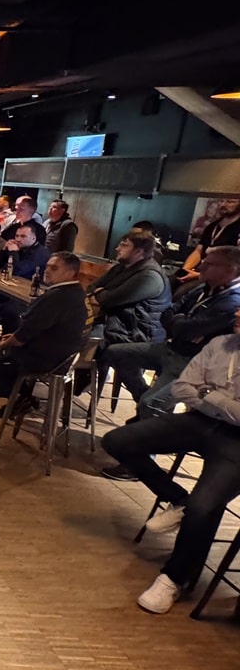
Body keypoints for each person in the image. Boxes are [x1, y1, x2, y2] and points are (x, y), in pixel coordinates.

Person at [101, 314, 240, 614]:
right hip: (198, 420)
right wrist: (219, 400)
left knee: (205, 506)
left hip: (236, 441)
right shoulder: (221, 344)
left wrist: (208, 393)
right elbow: (182, 387)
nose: (238, 314)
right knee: (117, 441)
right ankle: (178, 500)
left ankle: (176, 577)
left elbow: (203, 393)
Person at [103, 245, 240, 423]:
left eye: (210, 264)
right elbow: (169, 311)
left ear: (230, 270)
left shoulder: (232, 302)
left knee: (152, 403)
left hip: (189, 362)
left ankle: (145, 439)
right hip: (170, 347)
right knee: (115, 352)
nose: (201, 267)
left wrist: (179, 323)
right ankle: (143, 398)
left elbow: (186, 329)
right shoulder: (203, 288)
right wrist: (179, 323)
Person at [0, 251, 88, 417]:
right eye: (47, 266)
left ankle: (21, 397)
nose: (47, 270)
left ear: (70, 273)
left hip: (46, 359)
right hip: (60, 355)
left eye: (54, 268)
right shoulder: (75, 292)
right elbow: (32, 329)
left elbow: (22, 337)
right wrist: (12, 338)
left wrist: (4, 343)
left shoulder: (57, 296)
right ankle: (23, 397)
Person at [90, 228, 172, 353]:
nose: (117, 249)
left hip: (138, 334)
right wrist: (100, 292)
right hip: (117, 325)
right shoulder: (122, 267)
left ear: (138, 251)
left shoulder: (150, 277)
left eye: (124, 245)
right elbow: (92, 287)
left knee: (91, 345)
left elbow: (110, 299)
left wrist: (100, 293)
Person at [175, 197, 240, 289]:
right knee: (173, 280)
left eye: (230, 201)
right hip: (201, 269)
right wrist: (185, 270)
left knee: (183, 291)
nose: (223, 205)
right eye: (221, 201)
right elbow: (198, 251)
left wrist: (198, 275)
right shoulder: (212, 226)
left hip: (220, 277)